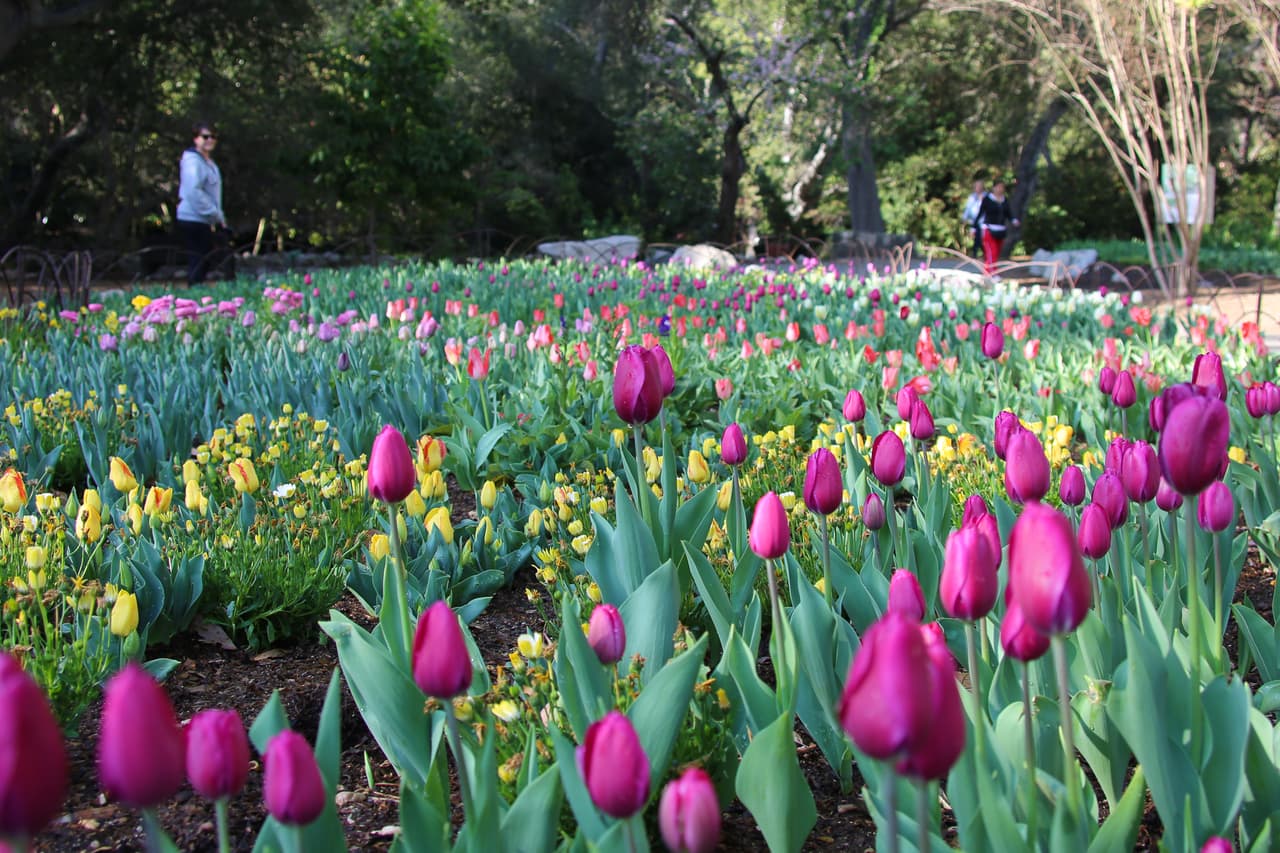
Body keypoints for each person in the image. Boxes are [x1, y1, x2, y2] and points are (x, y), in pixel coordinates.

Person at [176, 122, 227, 286]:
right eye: (205, 136)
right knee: (198, 260)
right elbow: (193, 191)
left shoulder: (208, 163)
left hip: (204, 219)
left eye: (213, 136)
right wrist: (214, 213)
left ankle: (197, 292)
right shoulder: (193, 162)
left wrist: (219, 218)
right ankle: (193, 295)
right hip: (192, 218)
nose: (210, 140)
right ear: (196, 139)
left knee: (205, 260)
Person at [976, 180, 1019, 278]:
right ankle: (992, 273)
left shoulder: (1004, 200)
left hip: (1001, 230)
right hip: (989, 229)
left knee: (997, 252)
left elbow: (1008, 213)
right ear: (994, 187)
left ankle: (988, 272)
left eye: (1002, 187)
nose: (1000, 189)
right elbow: (980, 214)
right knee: (992, 251)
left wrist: (1014, 220)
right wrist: (974, 228)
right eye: (998, 187)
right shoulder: (987, 199)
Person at [961, 179, 985, 260]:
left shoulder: (986, 196)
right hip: (975, 221)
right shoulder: (972, 197)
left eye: (979, 186)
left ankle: (983, 252)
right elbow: (968, 208)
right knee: (977, 237)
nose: (978, 188)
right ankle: (975, 253)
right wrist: (964, 218)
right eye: (976, 186)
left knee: (981, 238)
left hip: (984, 221)